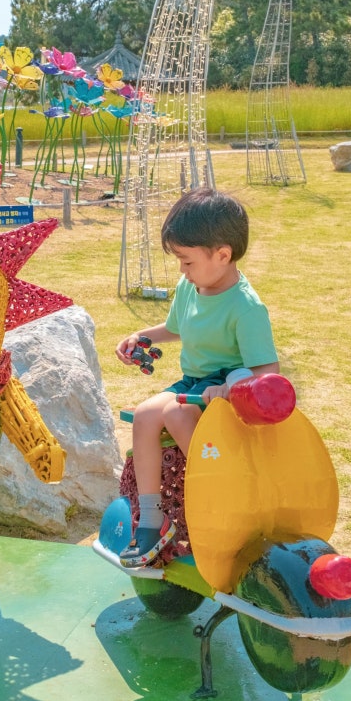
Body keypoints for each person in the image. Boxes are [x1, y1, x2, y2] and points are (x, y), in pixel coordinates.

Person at [116, 187, 279, 567]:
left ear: (222, 255)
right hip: (192, 382)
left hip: (225, 389)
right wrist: (141, 337)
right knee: (144, 414)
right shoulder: (190, 289)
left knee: (175, 414)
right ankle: (154, 519)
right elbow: (176, 328)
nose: (181, 270)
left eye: (186, 261)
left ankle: (222, 499)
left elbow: (267, 370)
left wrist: (233, 388)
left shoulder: (246, 307)